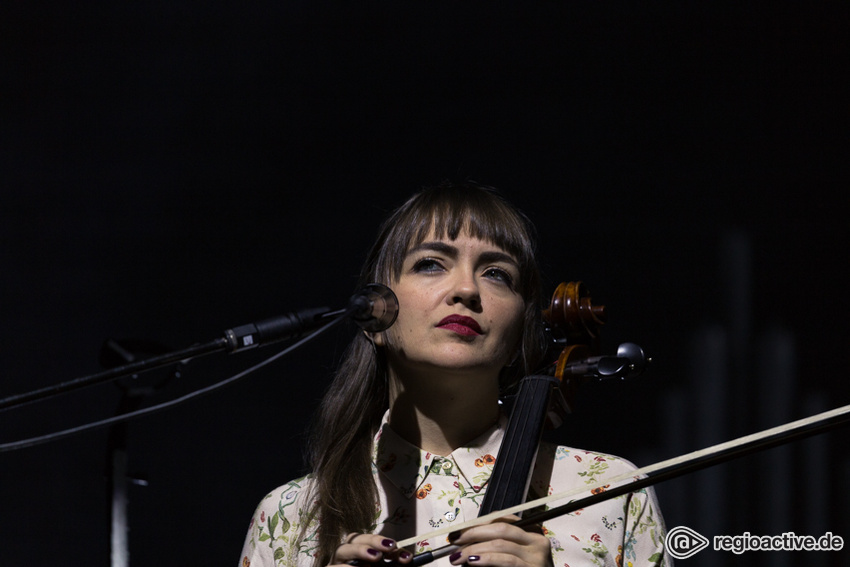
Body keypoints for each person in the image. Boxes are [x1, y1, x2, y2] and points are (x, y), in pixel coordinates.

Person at [239, 182, 670, 567]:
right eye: (431, 264)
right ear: (374, 314)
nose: (466, 289)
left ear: (519, 330)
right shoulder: (291, 516)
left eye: (497, 274)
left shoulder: (610, 492)